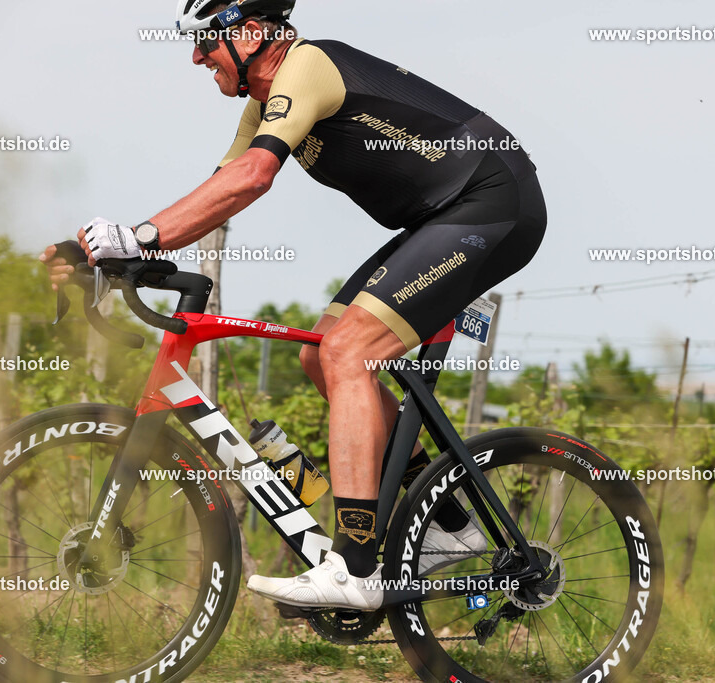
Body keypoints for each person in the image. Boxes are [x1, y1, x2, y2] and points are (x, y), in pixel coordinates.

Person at [40, 0, 546, 611]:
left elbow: (255, 175)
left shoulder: (308, 64)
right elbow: (219, 191)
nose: (197, 57)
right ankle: (445, 525)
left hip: (492, 202)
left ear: (252, 34)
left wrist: (140, 234)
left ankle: (356, 568)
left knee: (348, 352)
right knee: (320, 358)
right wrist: (101, 252)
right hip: (440, 216)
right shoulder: (262, 103)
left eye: (206, 42)